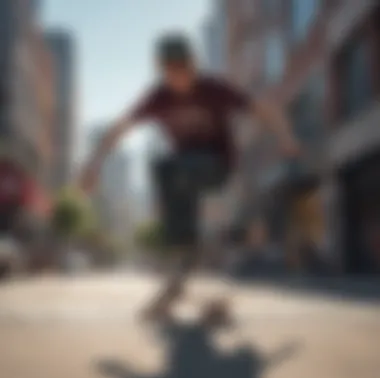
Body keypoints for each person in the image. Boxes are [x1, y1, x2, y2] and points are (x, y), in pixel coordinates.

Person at [79, 33, 300, 322]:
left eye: (184, 70)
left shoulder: (214, 89)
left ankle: (185, 244)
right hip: (184, 174)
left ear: (193, 65)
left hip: (217, 167)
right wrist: (94, 164)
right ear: (163, 70)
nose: (179, 79)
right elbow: (120, 126)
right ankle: (183, 258)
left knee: (171, 167)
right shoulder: (158, 97)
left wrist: (286, 137)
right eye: (171, 73)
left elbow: (262, 109)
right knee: (164, 169)